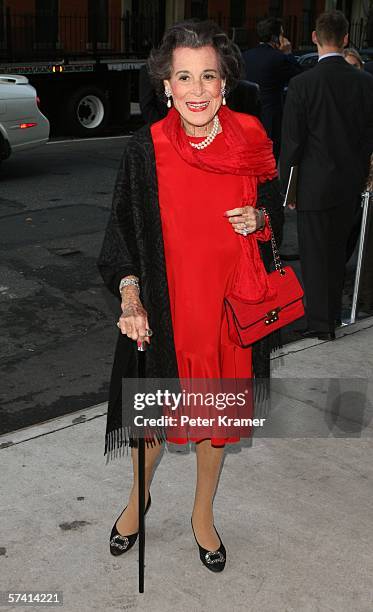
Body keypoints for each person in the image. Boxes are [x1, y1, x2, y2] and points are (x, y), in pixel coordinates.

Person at [97, 19, 283, 574]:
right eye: (185, 77)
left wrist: (261, 220)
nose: (198, 89)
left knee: (215, 429)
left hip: (228, 319)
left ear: (224, 82)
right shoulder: (144, 150)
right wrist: (131, 300)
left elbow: (274, 222)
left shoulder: (251, 138)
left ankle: (203, 514)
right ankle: (138, 502)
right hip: (168, 321)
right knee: (154, 426)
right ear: (167, 86)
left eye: (209, 76)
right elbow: (119, 241)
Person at [280, 10, 373, 340]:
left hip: (314, 186)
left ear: (316, 38)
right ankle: (329, 315)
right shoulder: (365, 82)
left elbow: (292, 143)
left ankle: (321, 324)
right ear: (346, 38)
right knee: (336, 254)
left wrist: (287, 191)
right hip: (350, 184)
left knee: (315, 256)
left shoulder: (302, 84)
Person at [242, 17, 302, 161]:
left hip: (248, 118)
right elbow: (299, 76)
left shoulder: (245, 56)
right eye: (282, 34)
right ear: (275, 37)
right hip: (271, 118)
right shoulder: (279, 58)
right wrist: (288, 53)